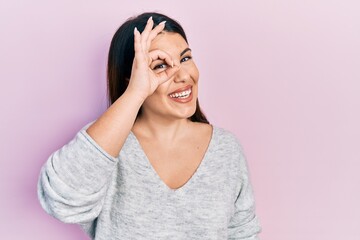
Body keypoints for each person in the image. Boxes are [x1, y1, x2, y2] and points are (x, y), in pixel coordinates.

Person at [37, 12, 261, 239]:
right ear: (132, 79)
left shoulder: (226, 149)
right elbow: (61, 201)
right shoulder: (107, 145)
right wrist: (136, 92)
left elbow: (243, 233)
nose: (183, 76)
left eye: (185, 59)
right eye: (160, 65)